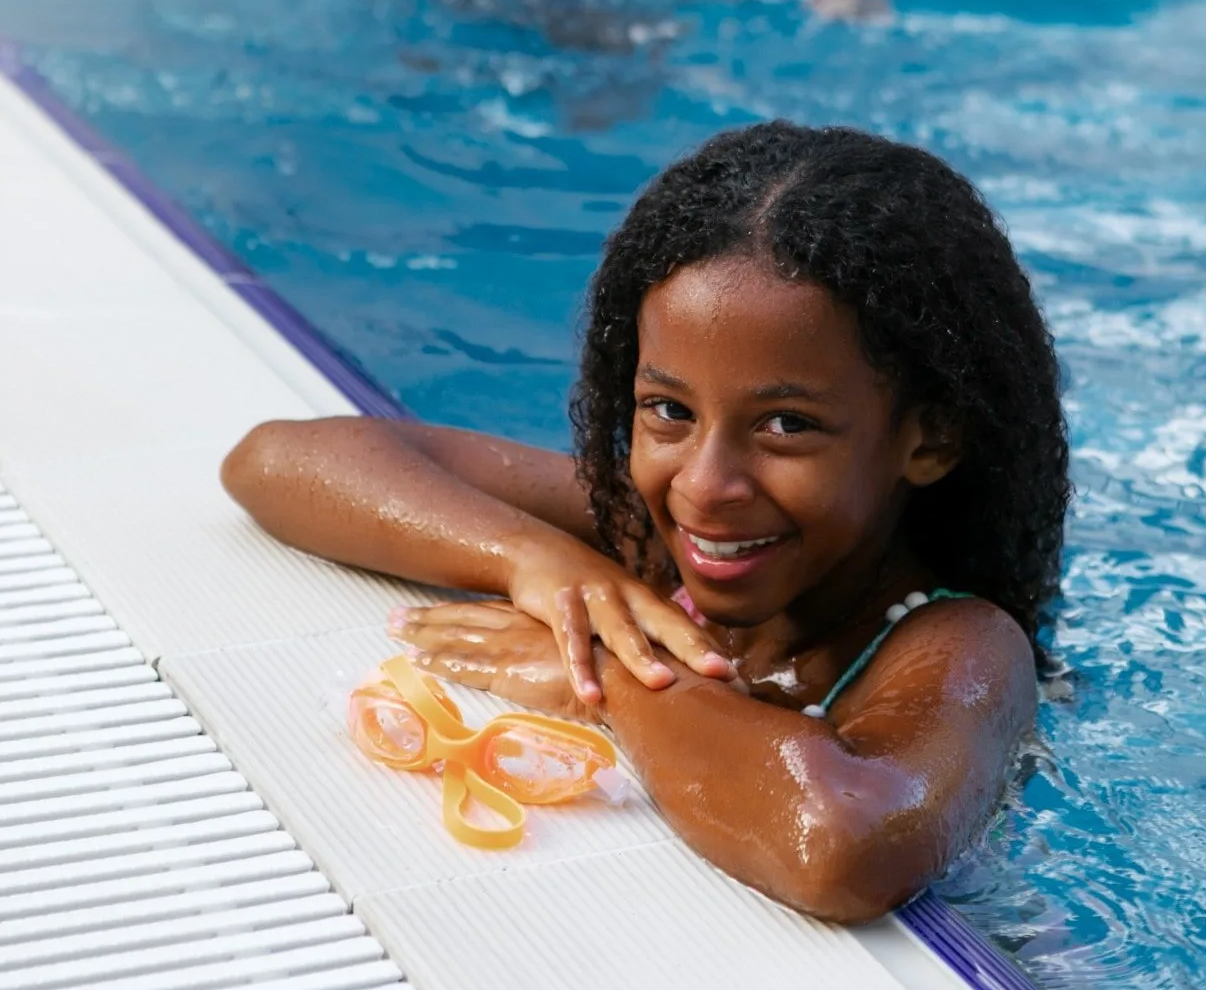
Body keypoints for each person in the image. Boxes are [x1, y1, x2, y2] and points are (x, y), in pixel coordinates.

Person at [221, 122, 1068, 922]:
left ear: (930, 439)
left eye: (786, 425)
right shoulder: (651, 543)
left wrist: (611, 674)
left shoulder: (958, 646)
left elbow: (841, 846)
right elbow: (277, 459)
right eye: (669, 410)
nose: (705, 484)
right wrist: (534, 560)